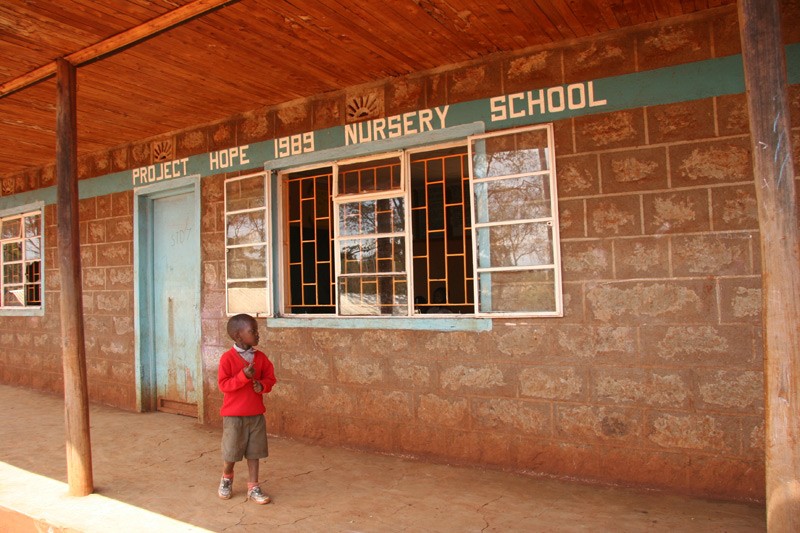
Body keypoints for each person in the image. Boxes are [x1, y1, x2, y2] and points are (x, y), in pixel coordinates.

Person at [217, 313, 277, 504]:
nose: (258, 335)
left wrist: (263, 385)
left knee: (255, 452)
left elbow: (270, 378)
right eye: (253, 331)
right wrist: (243, 375)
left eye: (257, 331)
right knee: (231, 451)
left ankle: (253, 486)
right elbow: (224, 385)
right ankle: (227, 478)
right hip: (234, 416)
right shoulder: (227, 359)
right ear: (238, 336)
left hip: (256, 415)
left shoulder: (260, 358)